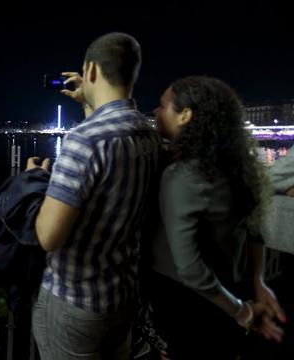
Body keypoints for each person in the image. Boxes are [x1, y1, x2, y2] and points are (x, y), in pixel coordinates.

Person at [29, 32, 162, 360]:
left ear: (89, 71)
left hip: (74, 302)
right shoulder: (149, 135)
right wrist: (89, 104)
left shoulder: (83, 141)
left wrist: (35, 180)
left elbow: (48, 236)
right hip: (121, 299)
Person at [145, 76, 286, 360]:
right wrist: (258, 284)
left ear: (185, 116)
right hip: (230, 291)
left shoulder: (182, 176)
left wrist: (241, 312)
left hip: (189, 307)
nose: (155, 112)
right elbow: (253, 229)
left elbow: (188, 268)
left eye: (162, 106)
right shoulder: (238, 169)